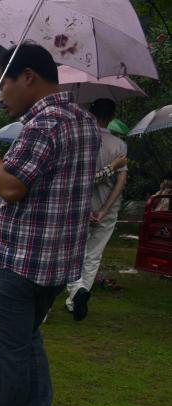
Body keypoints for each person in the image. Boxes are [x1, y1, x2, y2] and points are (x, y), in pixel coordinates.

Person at [0, 43, 100, 406]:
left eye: (3, 83)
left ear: (28, 77)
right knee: (28, 342)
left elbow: (9, 186)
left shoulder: (45, 124)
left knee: (9, 352)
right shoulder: (84, 120)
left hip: (19, 261)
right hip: (56, 263)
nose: (0, 94)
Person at [64, 98, 128, 320]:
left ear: (90, 114)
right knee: (93, 255)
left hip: (79, 205)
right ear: (111, 117)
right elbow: (121, 182)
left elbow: (79, 177)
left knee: (73, 252)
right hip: (106, 208)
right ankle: (76, 300)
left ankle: (77, 289)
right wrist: (104, 209)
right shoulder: (119, 145)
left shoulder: (81, 140)